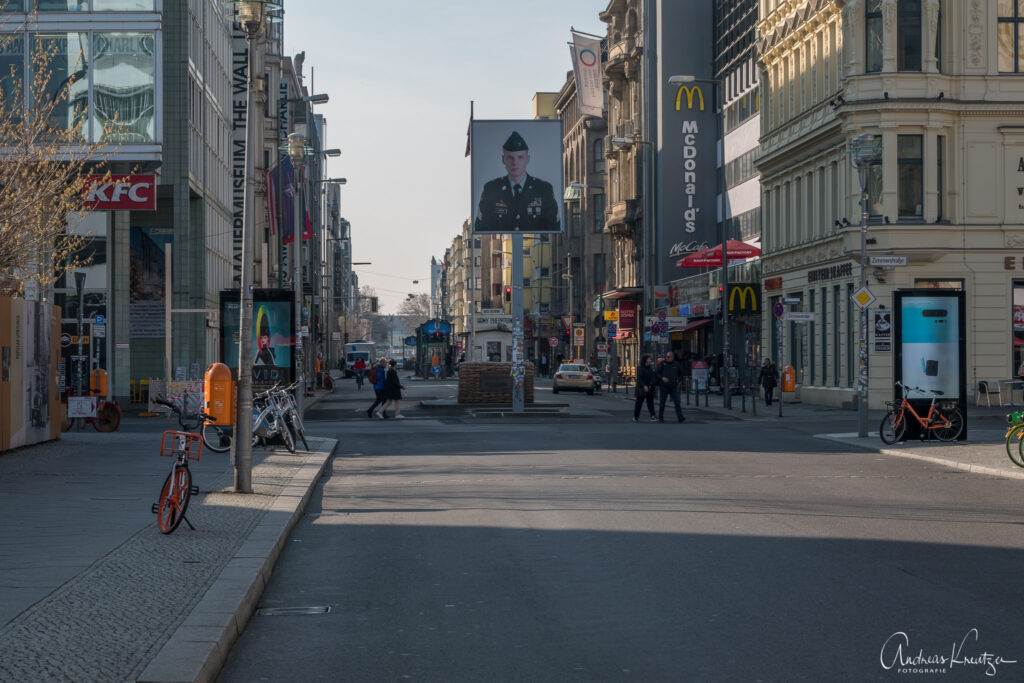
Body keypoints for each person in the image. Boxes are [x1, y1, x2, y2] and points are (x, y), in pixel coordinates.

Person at [475, 131, 560, 232]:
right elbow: (481, 227)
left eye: (520, 157)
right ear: (503, 160)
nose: (515, 162)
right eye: (510, 157)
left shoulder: (543, 189)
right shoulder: (491, 189)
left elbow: (554, 226)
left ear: (527, 159)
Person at [657, 350, 685, 423]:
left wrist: (678, 381)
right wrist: (662, 378)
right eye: (666, 356)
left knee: (677, 402)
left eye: (668, 357)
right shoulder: (663, 364)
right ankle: (660, 417)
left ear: (672, 357)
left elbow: (681, 374)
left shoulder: (676, 364)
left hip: (673, 386)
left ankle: (680, 418)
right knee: (662, 402)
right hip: (664, 386)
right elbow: (657, 373)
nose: (666, 358)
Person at [633, 355, 658, 423]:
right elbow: (639, 379)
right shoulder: (640, 368)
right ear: (646, 360)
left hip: (649, 388)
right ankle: (636, 416)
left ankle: (653, 416)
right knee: (639, 403)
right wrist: (644, 386)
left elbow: (653, 377)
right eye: (649, 359)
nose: (650, 360)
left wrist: (650, 385)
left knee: (650, 403)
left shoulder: (651, 368)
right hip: (641, 388)